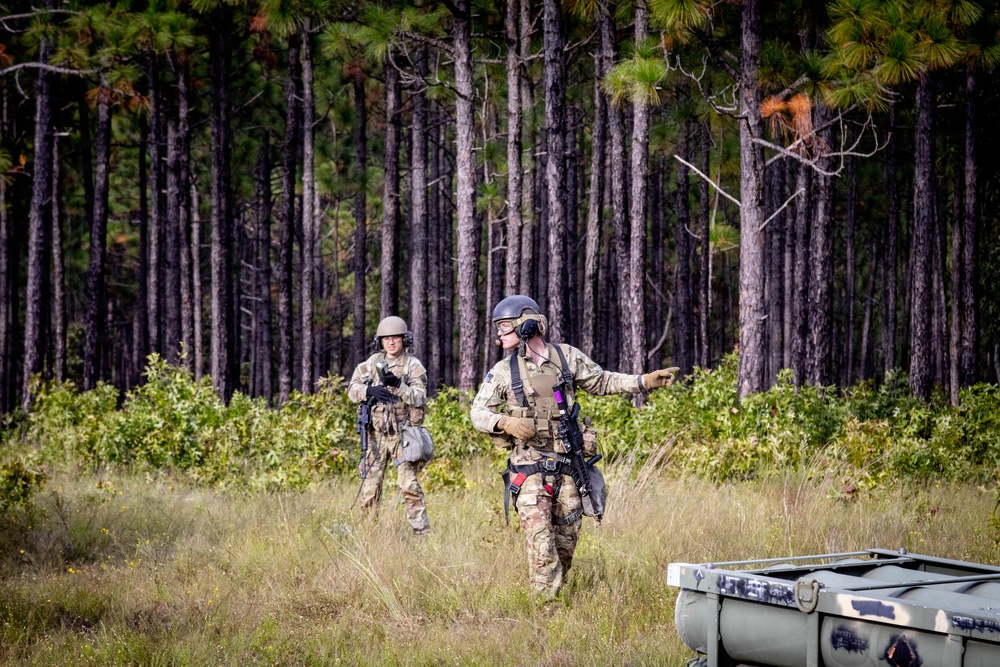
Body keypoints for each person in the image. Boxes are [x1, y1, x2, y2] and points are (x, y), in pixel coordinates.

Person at [471, 295, 677, 599]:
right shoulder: (503, 371)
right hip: (529, 470)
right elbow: (478, 412)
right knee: (542, 546)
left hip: (569, 468)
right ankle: (547, 614)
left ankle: (556, 595)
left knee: (565, 545)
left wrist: (644, 381)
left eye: (504, 327)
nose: (499, 335)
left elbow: (603, 381)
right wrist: (505, 423)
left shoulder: (566, 356)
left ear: (527, 324)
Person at [347, 316, 431, 535]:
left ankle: (421, 533)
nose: (391, 343)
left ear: (404, 340)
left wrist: (399, 385)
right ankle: (369, 534)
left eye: (395, 338)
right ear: (380, 342)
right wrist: (368, 391)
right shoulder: (371, 364)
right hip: (376, 436)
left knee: (408, 486)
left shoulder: (413, 365)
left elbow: (420, 397)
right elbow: (351, 389)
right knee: (370, 488)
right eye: (386, 339)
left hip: (403, 434)